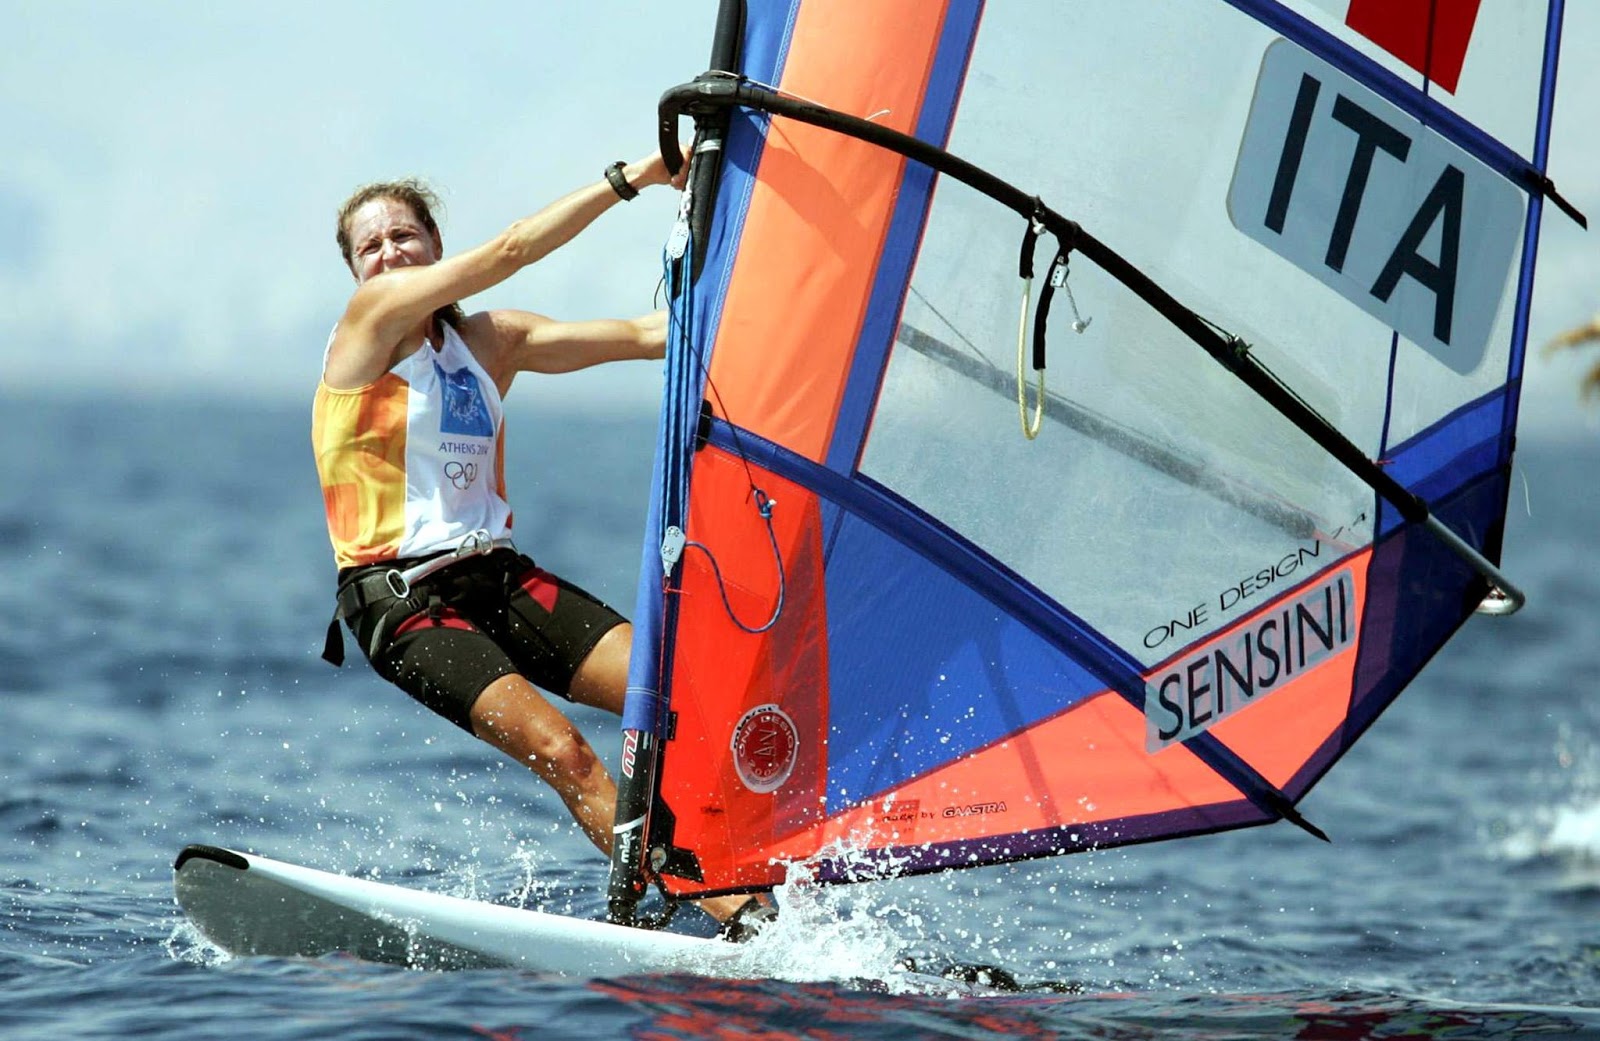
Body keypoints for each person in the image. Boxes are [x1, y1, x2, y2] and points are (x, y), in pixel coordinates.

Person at [312, 152, 771, 937]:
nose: (389, 253)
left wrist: (776, 298)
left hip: (498, 577)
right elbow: (511, 249)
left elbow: (651, 335)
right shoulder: (367, 328)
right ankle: (734, 917)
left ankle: (747, 871)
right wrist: (637, 177)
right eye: (370, 246)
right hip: (403, 602)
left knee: (684, 691)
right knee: (566, 752)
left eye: (404, 236)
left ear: (433, 242)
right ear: (357, 272)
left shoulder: (493, 343)